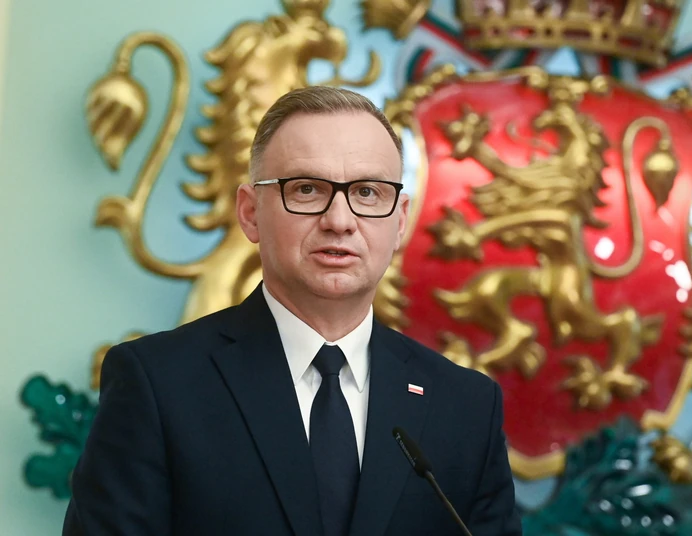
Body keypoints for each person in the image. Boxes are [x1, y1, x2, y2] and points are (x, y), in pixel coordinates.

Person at [63, 86, 522, 536]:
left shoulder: (466, 407)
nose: (339, 221)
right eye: (306, 189)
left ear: (399, 220)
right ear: (250, 213)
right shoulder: (158, 384)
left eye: (367, 193)